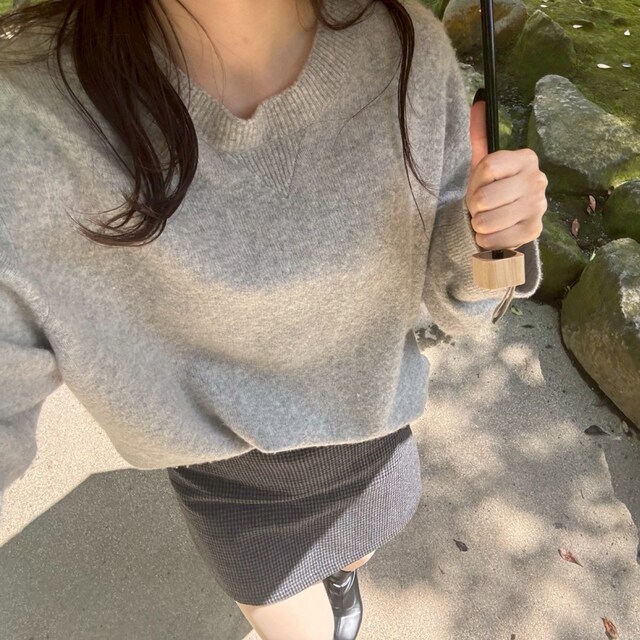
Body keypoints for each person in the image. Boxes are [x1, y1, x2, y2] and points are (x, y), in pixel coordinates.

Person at [0, 0, 547, 638]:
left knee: (357, 551)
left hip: (371, 449)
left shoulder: (410, 55)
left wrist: (492, 242)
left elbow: (460, 305)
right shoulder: (28, 115)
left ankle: (340, 573)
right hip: (230, 493)